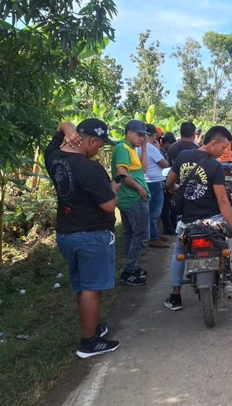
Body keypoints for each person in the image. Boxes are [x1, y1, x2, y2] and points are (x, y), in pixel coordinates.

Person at [45, 119, 120, 358]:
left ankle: (92, 327)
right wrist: (113, 191)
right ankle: (88, 342)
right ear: (91, 140)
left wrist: (67, 128)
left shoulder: (53, 157)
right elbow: (108, 206)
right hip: (92, 235)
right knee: (91, 288)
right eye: (100, 145)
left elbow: (61, 126)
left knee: (82, 285)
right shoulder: (90, 168)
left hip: (67, 234)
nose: (100, 149)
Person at [162, 126, 232, 310]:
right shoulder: (215, 166)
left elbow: (169, 183)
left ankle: (175, 297)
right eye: (223, 148)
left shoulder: (183, 157)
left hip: (187, 222)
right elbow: (222, 201)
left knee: (178, 252)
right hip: (214, 221)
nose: (223, 153)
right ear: (213, 143)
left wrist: (177, 191)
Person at [111, 119, 151, 286]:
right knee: (142, 235)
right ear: (129, 133)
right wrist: (139, 189)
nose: (142, 138)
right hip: (133, 198)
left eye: (144, 136)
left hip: (129, 199)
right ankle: (129, 270)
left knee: (130, 233)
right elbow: (121, 172)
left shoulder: (130, 149)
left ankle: (131, 267)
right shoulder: (122, 148)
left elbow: (143, 170)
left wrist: (143, 149)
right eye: (139, 135)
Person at [137, 124, 170, 248]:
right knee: (154, 212)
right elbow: (164, 164)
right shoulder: (150, 148)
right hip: (154, 182)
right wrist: (158, 149)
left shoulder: (139, 147)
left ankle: (153, 233)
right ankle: (153, 237)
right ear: (154, 135)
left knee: (150, 210)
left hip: (146, 181)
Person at [159, 132, 177, 235]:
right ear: (167, 143)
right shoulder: (160, 152)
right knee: (165, 207)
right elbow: (165, 165)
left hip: (167, 180)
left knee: (169, 205)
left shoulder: (164, 151)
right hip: (164, 181)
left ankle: (171, 226)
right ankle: (167, 228)